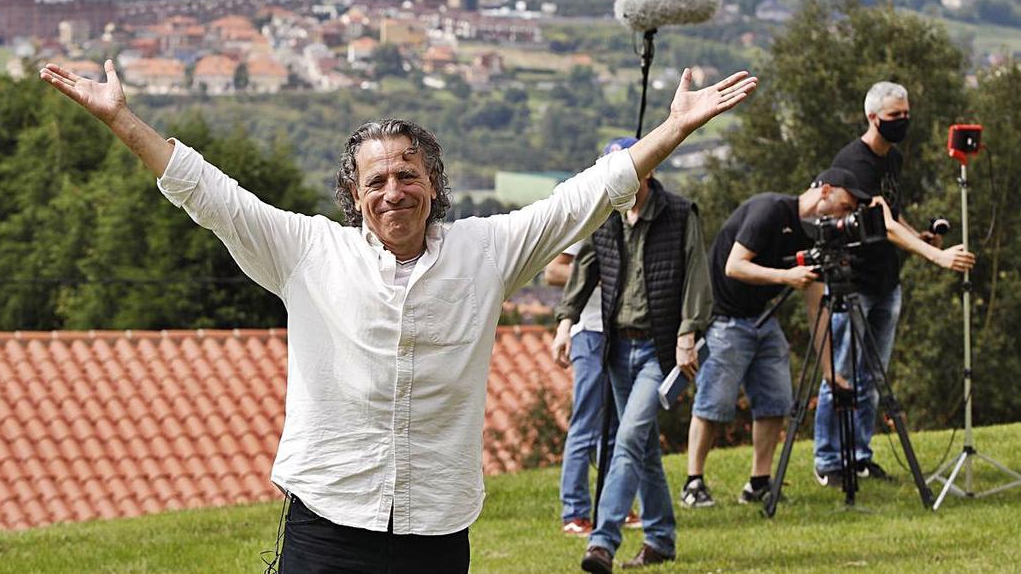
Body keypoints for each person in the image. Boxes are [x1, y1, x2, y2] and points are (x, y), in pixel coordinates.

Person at [39, 59, 757, 572]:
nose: (394, 191)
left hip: (436, 528)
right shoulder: (306, 250)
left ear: (434, 183)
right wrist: (121, 119)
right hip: (325, 523)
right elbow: (207, 192)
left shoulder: (488, 249)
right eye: (376, 179)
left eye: (408, 174)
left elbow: (586, 195)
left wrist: (671, 132)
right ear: (353, 195)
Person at [552, 138, 712, 574]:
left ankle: (602, 543)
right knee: (642, 451)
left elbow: (698, 273)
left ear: (648, 170)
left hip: (659, 350)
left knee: (626, 440)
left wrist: (687, 333)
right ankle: (660, 539)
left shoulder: (680, 213)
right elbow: (583, 268)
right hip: (617, 347)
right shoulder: (606, 215)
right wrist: (566, 322)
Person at [813, 81, 976, 487]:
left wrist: (917, 236)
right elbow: (879, 223)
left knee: (874, 375)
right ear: (873, 118)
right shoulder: (856, 162)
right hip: (854, 283)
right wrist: (937, 257)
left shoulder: (892, 159)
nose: (902, 122)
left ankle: (861, 455)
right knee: (842, 374)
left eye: (906, 115)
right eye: (894, 117)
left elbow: (892, 215)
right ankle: (829, 459)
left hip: (887, 281)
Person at [680, 169, 869, 509]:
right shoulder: (769, 210)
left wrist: (829, 370)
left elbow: (816, 306)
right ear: (825, 192)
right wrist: (785, 275)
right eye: (845, 205)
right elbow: (735, 266)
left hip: (763, 321)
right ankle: (693, 483)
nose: (847, 215)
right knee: (712, 404)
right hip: (726, 318)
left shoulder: (814, 236)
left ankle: (759, 482)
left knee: (775, 401)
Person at [545, 144, 640, 536]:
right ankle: (575, 512)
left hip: (621, 330)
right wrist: (603, 275)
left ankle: (614, 507)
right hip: (589, 330)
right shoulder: (591, 213)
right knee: (586, 422)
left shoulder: (633, 213)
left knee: (615, 424)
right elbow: (553, 272)